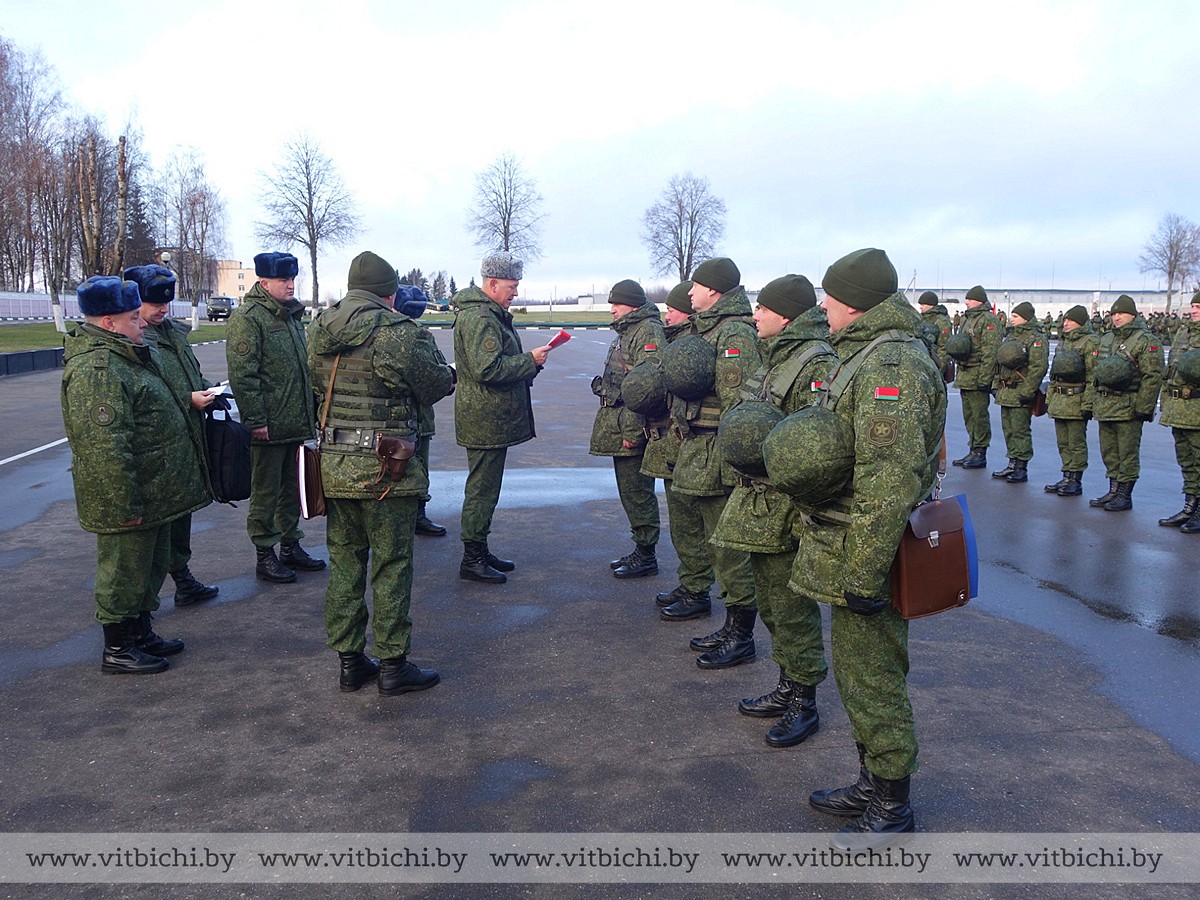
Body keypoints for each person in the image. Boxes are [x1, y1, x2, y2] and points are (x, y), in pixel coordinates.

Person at [788, 248, 946, 847]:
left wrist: (863, 572)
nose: (823, 306)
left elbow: (888, 477)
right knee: (857, 674)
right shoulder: (866, 354)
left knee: (874, 674)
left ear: (854, 302)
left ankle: (893, 803)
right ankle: (872, 780)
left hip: (869, 551)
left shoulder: (893, 367)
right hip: (852, 543)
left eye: (830, 296)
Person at [309, 251, 454, 695]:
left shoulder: (317, 329)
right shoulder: (398, 333)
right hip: (385, 469)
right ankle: (393, 665)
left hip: (334, 465)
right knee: (391, 564)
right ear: (389, 293)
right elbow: (433, 387)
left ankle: (350, 661)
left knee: (346, 562)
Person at [62, 276, 210, 674]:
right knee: (123, 572)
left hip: (154, 490)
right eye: (133, 317)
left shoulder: (130, 356)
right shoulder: (100, 370)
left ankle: (141, 633)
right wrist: (124, 504)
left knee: (148, 568)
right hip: (129, 497)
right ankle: (118, 647)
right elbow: (104, 449)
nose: (143, 323)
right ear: (109, 322)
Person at [711, 275, 835, 747]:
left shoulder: (815, 362)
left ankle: (804, 700)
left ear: (785, 315)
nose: (754, 315)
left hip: (788, 503)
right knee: (770, 600)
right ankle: (787, 684)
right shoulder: (778, 356)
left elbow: (814, 440)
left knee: (791, 605)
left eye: (763, 308)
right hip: (759, 499)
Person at [659, 257, 760, 672]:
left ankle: (741, 633)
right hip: (696, 445)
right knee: (710, 538)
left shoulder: (734, 333)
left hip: (717, 449)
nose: (690, 292)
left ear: (714, 290)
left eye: (696, 286)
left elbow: (740, 403)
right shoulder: (709, 328)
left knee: (728, 543)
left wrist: (736, 460)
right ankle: (729, 623)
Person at [123, 264, 222, 606]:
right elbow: (147, 396)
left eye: (167, 302)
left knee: (182, 514)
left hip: (185, 440)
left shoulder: (171, 333)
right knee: (159, 528)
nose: (163, 309)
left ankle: (182, 578)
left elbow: (185, 375)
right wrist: (187, 399)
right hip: (158, 446)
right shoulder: (134, 340)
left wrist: (209, 390)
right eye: (155, 303)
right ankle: (140, 614)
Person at [451, 251, 552, 583]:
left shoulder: (486, 314)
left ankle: (479, 549)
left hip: (487, 416)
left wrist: (529, 364)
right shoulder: (481, 318)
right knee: (482, 489)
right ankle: (473, 557)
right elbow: (488, 368)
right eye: (512, 285)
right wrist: (529, 360)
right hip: (485, 418)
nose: (516, 292)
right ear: (492, 284)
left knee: (485, 488)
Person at [226, 251, 325, 582]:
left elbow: (304, 369)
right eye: (284, 280)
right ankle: (265, 554)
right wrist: (256, 420)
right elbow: (244, 374)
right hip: (268, 425)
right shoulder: (249, 318)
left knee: (291, 489)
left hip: (295, 422)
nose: (290, 285)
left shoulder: (291, 317)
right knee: (266, 491)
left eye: (293, 279)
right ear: (263, 282)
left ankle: (290, 545)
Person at [644, 283, 717, 612]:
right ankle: (692, 583)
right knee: (682, 521)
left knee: (695, 522)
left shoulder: (698, 343)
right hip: (676, 441)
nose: (667, 313)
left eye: (672, 308)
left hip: (695, 445)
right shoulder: (674, 339)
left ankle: (699, 590)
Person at [590, 279, 666, 578]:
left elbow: (646, 387)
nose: (612, 310)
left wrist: (633, 434)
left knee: (637, 492)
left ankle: (647, 553)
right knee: (629, 492)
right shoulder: (630, 330)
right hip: (620, 423)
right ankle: (641, 548)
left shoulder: (646, 331)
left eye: (616, 304)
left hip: (630, 427)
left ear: (632, 305)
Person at [1088, 295, 1164, 512]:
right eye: (1113, 313)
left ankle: (1125, 494)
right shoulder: (1106, 339)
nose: (1117, 317)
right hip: (1106, 404)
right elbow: (1097, 372)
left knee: (1127, 452)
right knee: (1109, 451)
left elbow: (1152, 376)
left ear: (1133, 314)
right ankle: (1113, 489)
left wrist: (1143, 407)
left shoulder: (1146, 341)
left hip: (1128, 405)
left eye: (1121, 313)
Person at [394, 285, 449, 537]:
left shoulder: (421, 335)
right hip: (402, 418)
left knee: (420, 467)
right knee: (400, 468)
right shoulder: (411, 337)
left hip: (421, 417)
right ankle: (408, 517)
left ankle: (418, 515)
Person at [990, 301, 1049, 483]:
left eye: (1015, 316)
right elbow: (999, 363)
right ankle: (1012, 463)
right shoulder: (1011, 337)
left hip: (1020, 392)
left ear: (1025, 318)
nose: (1011, 319)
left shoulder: (1035, 339)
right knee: (1008, 429)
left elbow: (1038, 367)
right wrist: (995, 385)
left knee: (1020, 430)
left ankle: (1021, 467)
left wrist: (1028, 391)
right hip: (1006, 391)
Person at [1044, 305, 1098, 496]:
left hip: (1077, 399)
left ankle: (1075, 479)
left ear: (1080, 323)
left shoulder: (1090, 342)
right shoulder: (1064, 342)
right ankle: (1066, 475)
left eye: (1070, 320)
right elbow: (1054, 374)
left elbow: (1093, 377)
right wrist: (1050, 398)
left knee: (1076, 442)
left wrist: (1087, 404)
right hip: (1060, 399)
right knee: (1063, 442)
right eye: (1064, 320)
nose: (1065, 323)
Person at [1157, 291, 1200, 531]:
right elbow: (1170, 370)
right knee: (1186, 460)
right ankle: (1190, 507)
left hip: (1197, 408)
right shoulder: (1184, 333)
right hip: (1180, 409)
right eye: (1193, 305)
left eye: (1199, 306)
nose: (1194, 310)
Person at [950, 285, 1000, 468]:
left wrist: (985, 378)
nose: (966, 301)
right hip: (965, 373)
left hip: (978, 373)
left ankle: (980, 451)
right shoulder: (966, 319)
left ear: (979, 300)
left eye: (969, 299)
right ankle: (972, 449)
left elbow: (990, 352)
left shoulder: (988, 319)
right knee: (969, 415)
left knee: (979, 416)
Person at [917, 290, 952, 375]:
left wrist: (939, 369)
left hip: (935, 364)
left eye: (923, 305)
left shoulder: (941, 321)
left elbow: (944, 347)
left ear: (931, 305)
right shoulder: (920, 319)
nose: (920, 307)